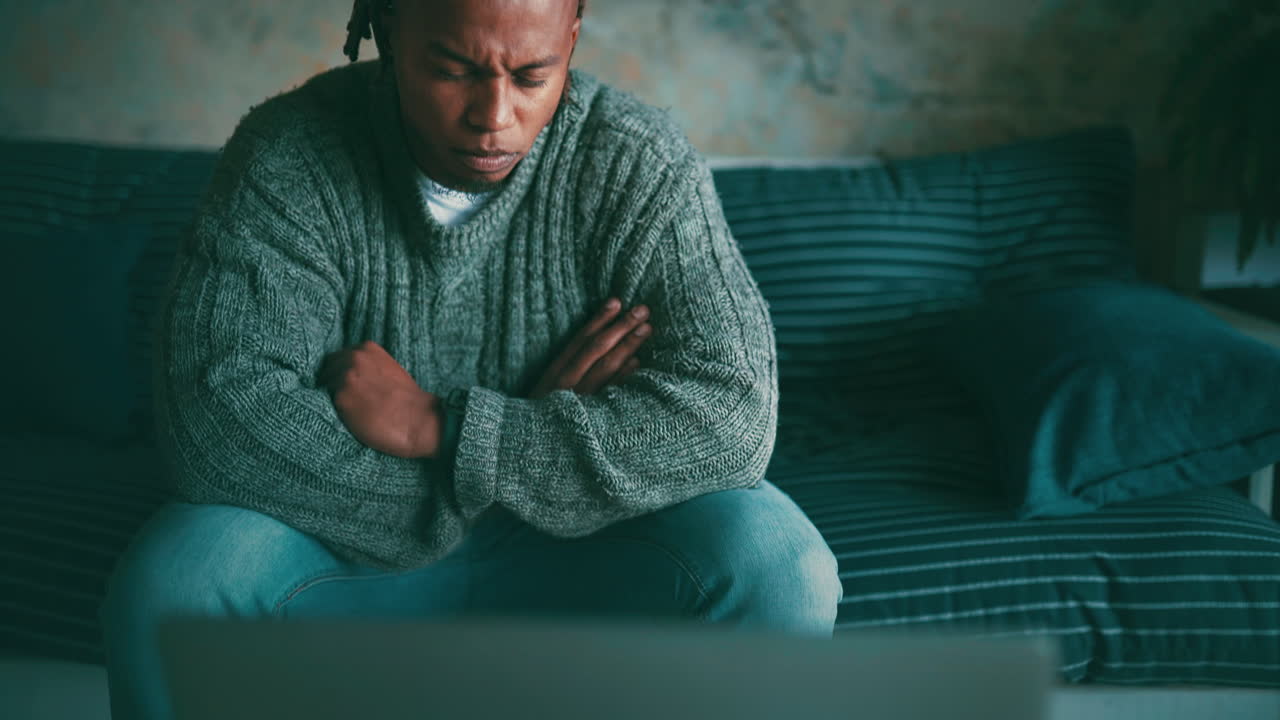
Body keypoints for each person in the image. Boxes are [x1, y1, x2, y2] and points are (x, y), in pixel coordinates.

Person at [100, 0, 842, 717]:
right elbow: (216, 416)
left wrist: (442, 429)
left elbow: (735, 416)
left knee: (784, 565)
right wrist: (507, 466)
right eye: (452, 69)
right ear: (389, 33)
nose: (493, 118)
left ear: (573, 40)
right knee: (175, 579)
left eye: (531, 75)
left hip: (586, 544)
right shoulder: (292, 150)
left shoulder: (637, 159)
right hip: (352, 548)